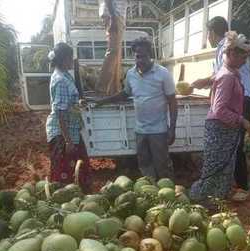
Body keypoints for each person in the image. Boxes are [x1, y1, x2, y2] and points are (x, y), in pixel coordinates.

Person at [95, 37, 178, 180]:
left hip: (158, 130)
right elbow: (126, 93)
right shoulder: (131, 74)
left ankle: (167, 193)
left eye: (144, 56)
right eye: (137, 57)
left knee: (162, 165)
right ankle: (150, 192)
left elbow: (172, 102)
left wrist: (172, 129)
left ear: (150, 55)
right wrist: (104, 101)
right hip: (140, 130)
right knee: (144, 165)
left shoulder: (163, 73)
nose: (140, 60)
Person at [192, 17, 250, 201]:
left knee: (234, 148)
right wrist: (242, 121)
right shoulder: (229, 70)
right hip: (236, 104)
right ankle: (219, 192)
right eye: (243, 58)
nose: (245, 61)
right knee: (229, 152)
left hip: (240, 99)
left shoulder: (226, 52)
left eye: (245, 57)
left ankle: (234, 188)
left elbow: (218, 77)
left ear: (211, 32)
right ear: (233, 54)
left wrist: (202, 83)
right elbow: (220, 107)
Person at [46, 42, 91, 192]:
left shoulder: (65, 75)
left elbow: (68, 102)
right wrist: (68, 142)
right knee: (64, 174)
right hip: (63, 134)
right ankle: (62, 208)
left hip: (71, 131)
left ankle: (80, 200)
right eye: (71, 57)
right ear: (65, 58)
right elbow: (60, 112)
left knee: (80, 168)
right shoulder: (60, 80)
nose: (72, 60)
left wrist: (79, 102)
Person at [96, 0, 128, 95]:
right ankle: (102, 87)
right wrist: (113, 16)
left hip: (116, 15)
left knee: (116, 54)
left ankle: (113, 89)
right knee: (113, 51)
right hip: (114, 15)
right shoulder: (113, 15)